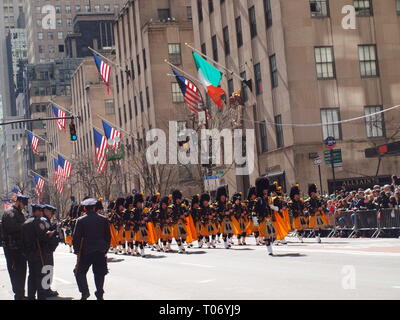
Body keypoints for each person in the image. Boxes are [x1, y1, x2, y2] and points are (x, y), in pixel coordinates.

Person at [73, 198, 111, 300]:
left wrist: (77, 251)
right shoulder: (104, 219)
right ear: (94, 208)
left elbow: (76, 237)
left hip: (86, 252)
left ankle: (84, 292)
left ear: (85, 208)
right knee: (99, 273)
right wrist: (105, 249)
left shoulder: (80, 220)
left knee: (79, 272)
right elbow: (108, 237)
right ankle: (100, 294)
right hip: (100, 251)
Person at [1, 194, 29, 300]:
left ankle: (21, 294)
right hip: (12, 248)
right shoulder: (10, 213)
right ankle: (18, 295)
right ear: (18, 202)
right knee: (16, 272)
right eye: (23, 204)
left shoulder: (18, 213)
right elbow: (13, 229)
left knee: (22, 271)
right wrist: (26, 225)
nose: (24, 206)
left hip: (19, 248)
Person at [255, 177, 275, 255]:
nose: (266, 190)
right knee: (266, 236)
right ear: (261, 189)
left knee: (273, 234)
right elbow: (254, 210)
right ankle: (269, 250)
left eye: (266, 189)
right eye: (264, 189)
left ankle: (266, 242)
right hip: (262, 219)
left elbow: (270, 207)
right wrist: (255, 220)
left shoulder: (268, 199)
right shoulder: (258, 200)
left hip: (269, 218)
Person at [43, 204, 60, 297]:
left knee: (48, 269)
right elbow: (46, 235)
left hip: (47, 250)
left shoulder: (46, 220)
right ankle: (46, 290)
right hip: (46, 250)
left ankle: (46, 289)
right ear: (46, 211)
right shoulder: (44, 221)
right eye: (51, 212)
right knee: (47, 269)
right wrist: (54, 231)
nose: (52, 214)